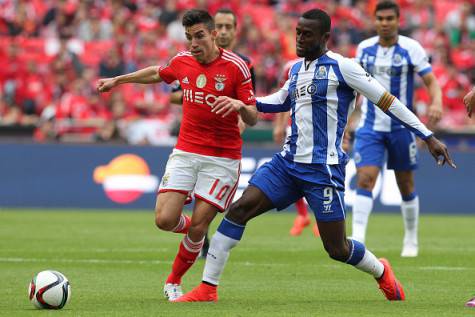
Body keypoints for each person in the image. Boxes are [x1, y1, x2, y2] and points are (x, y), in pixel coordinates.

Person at [174, 8, 455, 303]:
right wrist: (243, 103)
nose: (299, 38)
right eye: (297, 32)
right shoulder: (296, 69)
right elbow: (280, 101)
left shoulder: (343, 67)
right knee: (239, 210)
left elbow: (388, 101)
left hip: (323, 169)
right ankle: (208, 288)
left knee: (338, 249)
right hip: (287, 164)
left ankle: (382, 271)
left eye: (306, 34)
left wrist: (427, 135)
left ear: (325, 37)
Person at [96, 9, 258, 301]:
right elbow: (157, 73)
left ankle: (174, 280)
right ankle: (193, 237)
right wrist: (118, 80)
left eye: (198, 36)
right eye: (188, 37)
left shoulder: (237, 67)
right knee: (164, 219)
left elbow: (254, 116)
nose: (193, 43)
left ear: (213, 34)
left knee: (200, 225)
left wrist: (238, 105)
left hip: (222, 158)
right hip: (186, 151)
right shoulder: (182, 61)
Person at [350, 0, 443, 257]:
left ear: (398, 21)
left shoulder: (411, 48)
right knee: (365, 179)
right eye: (380, 19)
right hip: (369, 126)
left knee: (406, 184)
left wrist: (436, 101)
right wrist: (348, 121)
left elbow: (431, 81)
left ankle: (411, 238)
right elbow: (355, 87)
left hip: (401, 129)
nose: (385, 23)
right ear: (374, 21)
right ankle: (357, 239)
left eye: (390, 19)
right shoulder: (364, 49)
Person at [169, 8, 256, 257]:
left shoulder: (244, 65)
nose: (226, 31)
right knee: (171, 213)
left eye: (230, 26)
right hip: (192, 141)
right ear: (214, 29)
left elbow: (251, 106)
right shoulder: (187, 59)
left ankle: (200, 240)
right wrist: (200, 93)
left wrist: (240, 123)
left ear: (233, 31)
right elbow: (173, 94)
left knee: (204, 209)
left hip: (223, 145)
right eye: (222, 25)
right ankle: (198, 236)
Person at [273, 58, 319, 237]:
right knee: (294, 171)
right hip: (294, 127)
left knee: (317, 173)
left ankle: (321, 218)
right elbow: (285, 99)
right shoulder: (289, 67)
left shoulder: (329, 64)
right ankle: (302, 215)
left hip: (320, 128)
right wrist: (279, 125)